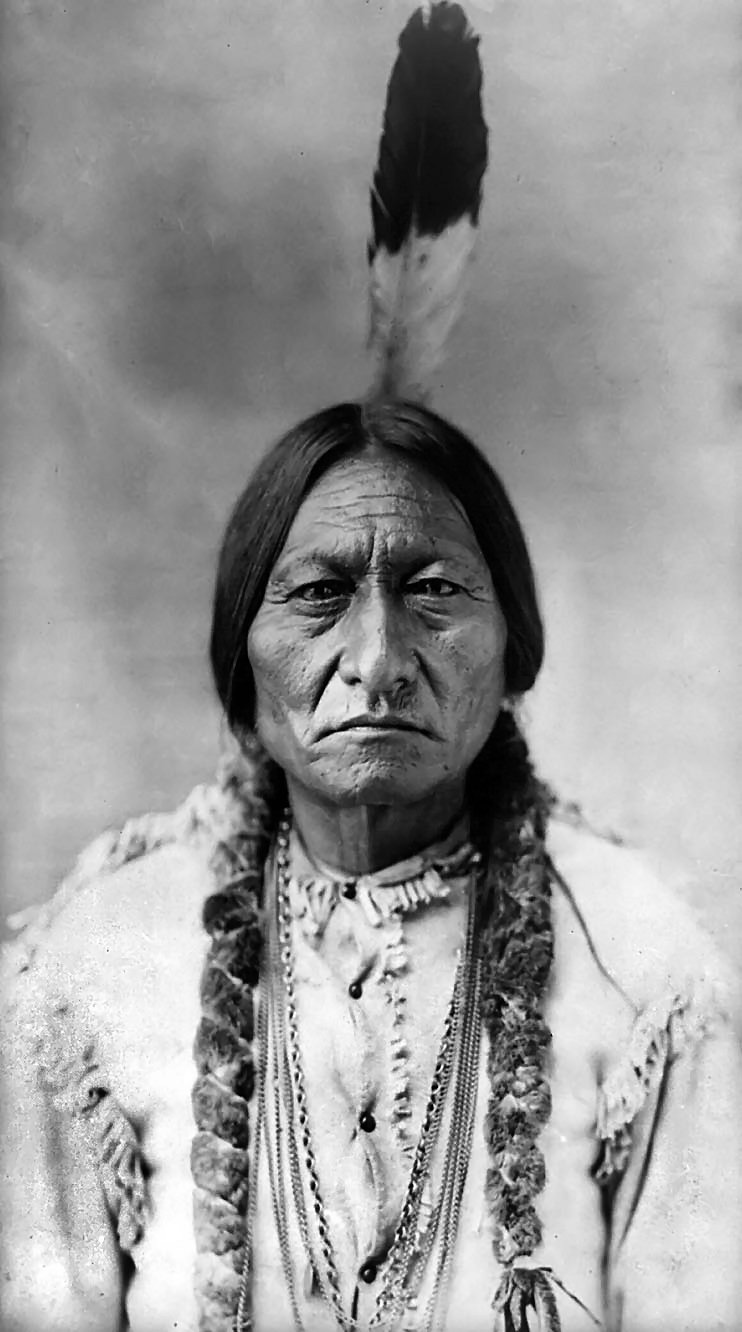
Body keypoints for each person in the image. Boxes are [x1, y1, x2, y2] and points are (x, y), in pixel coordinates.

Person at [2, 8, 740, 1332]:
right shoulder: (90, 965)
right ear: (243, 665)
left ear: (515, 647)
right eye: (320, 594)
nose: (380, 660)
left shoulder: (643, 965)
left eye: (438, 593)